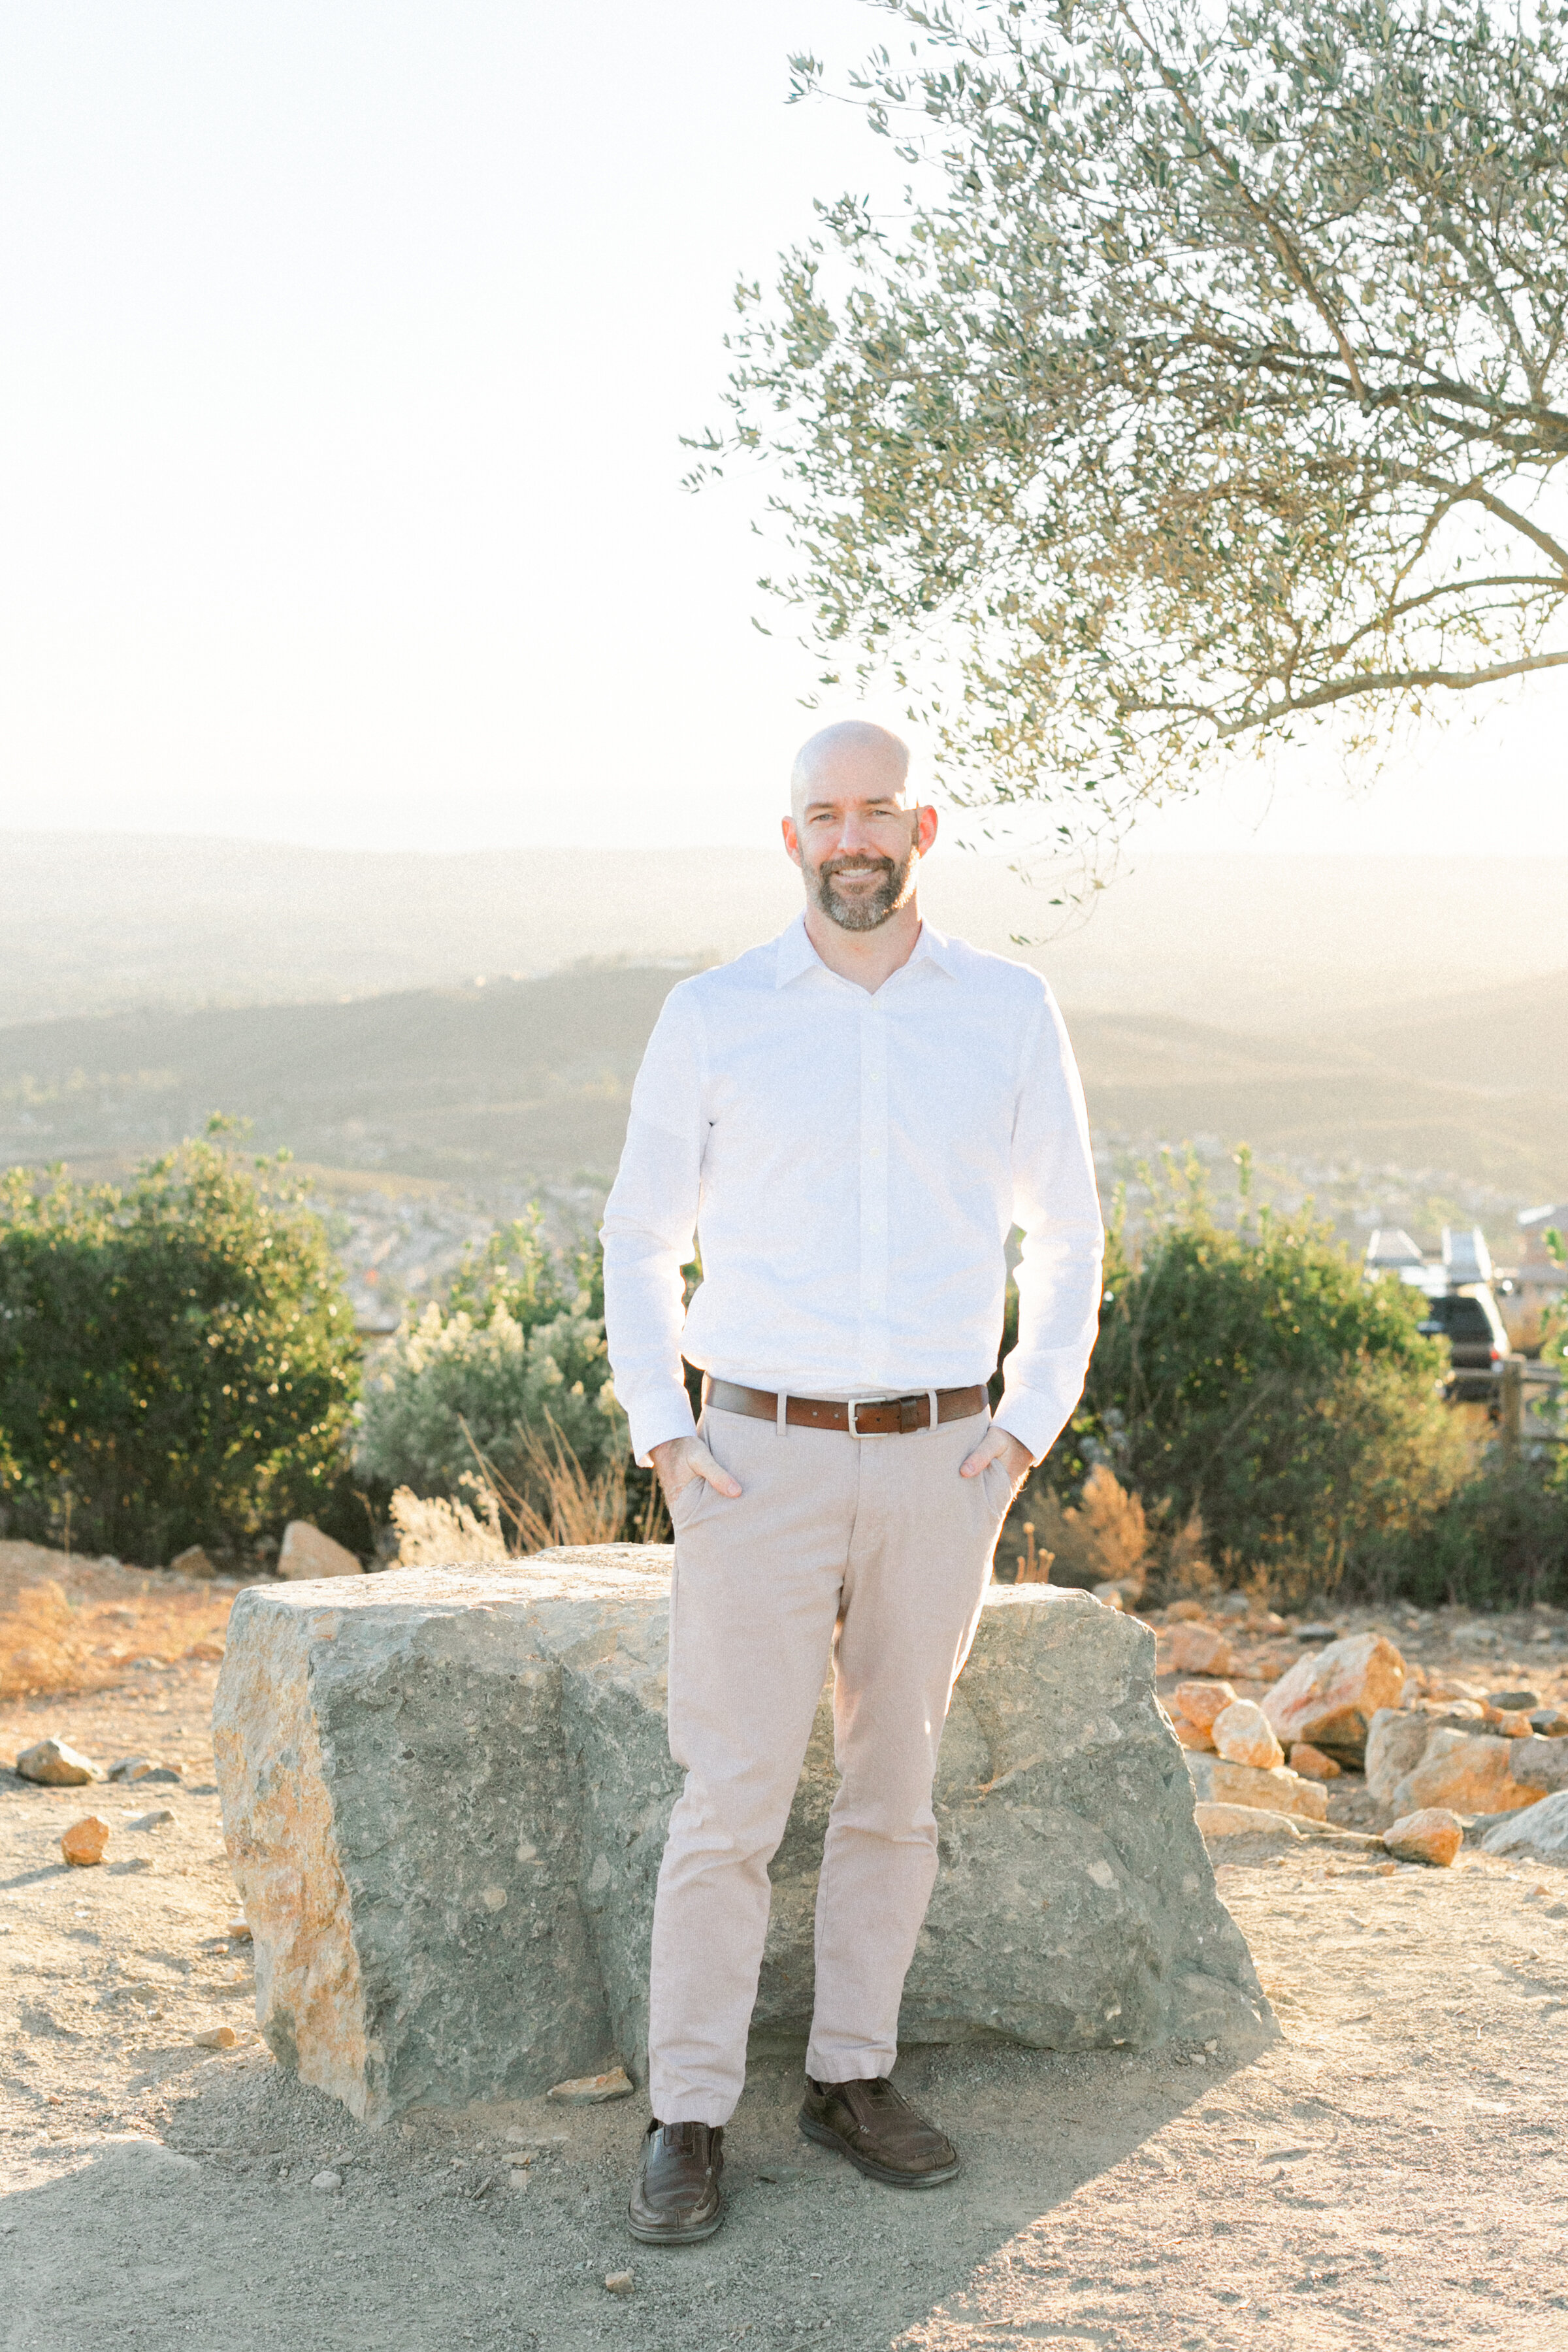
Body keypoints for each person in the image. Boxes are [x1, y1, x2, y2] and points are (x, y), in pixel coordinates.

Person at [600, 719, 1103, 2246]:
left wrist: (1019, 1434)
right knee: (731, 1798)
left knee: (894, 1793)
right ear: (793, 838)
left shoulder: (1010, 1010)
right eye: (826, 815)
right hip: (753, 1459)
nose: (853, 838)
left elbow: (1071, 1239)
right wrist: (668, 1439)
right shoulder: (713, 1014)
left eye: (878, 811)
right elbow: (637, 1237)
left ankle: (851, 2077)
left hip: (944, 1458)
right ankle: (688, 2113)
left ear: (924, 827)